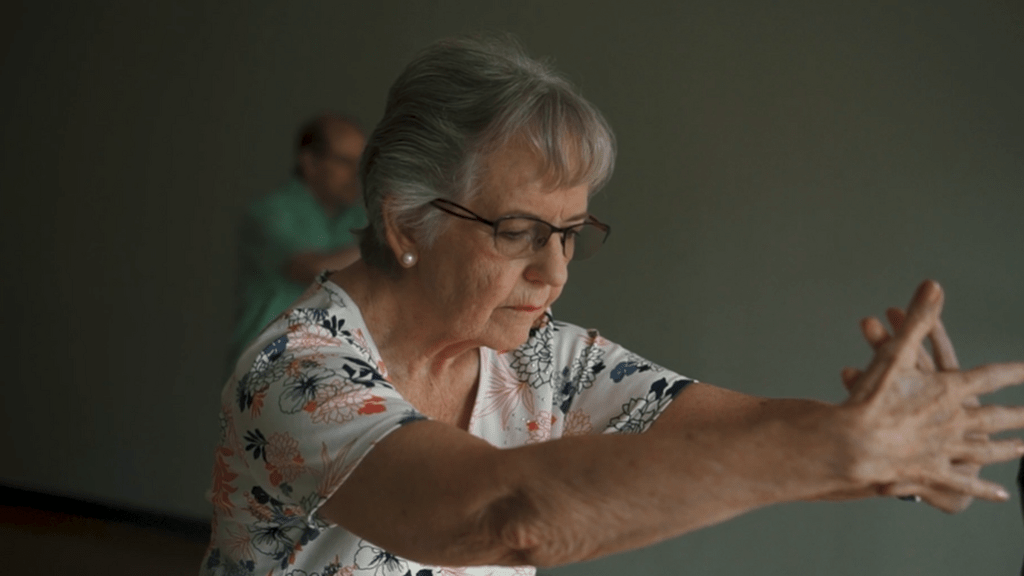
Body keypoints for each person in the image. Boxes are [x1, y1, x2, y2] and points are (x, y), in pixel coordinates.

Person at [201, 34, 1024, 576]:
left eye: (570, 234)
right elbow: (502, 512)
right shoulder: (295, 372)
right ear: (404, 220)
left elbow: (753, 435)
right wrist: (843, 451)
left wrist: (902, 451)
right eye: (519, 232)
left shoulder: (542, 359)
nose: (553, 274)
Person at [228, 113, 368, 367]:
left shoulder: (357, 217)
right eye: (345, 161)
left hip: (327, 362)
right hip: (268, 364)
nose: (356, 174)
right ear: (310, 163)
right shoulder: (270, 212)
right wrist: (380, 244)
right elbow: (312, 269)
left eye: (362, 163)